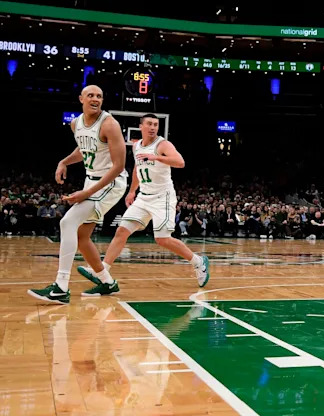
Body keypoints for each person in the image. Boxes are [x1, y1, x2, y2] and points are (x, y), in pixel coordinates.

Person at [78, 114, 209, 294]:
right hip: (143, 196)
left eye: (156, 124)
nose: (153, 127)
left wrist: (157, 158)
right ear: (141, 126)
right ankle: (103, 269)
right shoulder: (137, 145)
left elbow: (180, 162)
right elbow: (138, 170)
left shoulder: (163, 145)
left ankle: (198, 262)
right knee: (121, 231)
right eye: (149, 124)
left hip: (162, 197)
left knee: (162, 239)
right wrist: (132, 191)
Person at [29, 86, 128, 304]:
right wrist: (64, 161)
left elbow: (119, 166)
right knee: (82, 238)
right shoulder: (76, 124)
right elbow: (83, 150)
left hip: (112, 182)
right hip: (92, 181)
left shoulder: (109, 124)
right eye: (91, 95)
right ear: (81, 99)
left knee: (67, 222)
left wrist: (87, 192)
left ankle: (61, 287)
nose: (95, 99)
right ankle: (107, 282)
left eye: (99, 96)